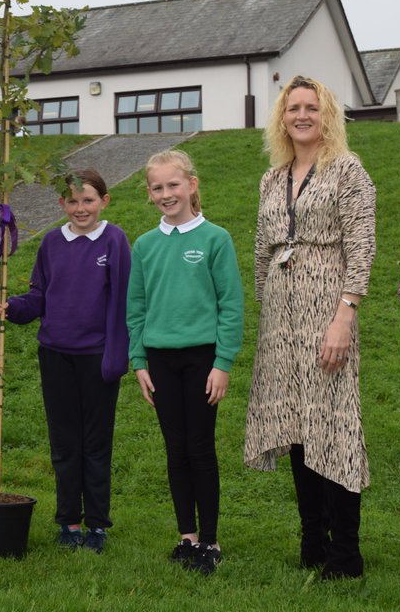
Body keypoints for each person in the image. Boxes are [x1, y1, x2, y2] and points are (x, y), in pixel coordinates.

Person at [242, 76, 376, 579]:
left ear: (327, 116)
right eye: (293, 107)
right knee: (298, 426)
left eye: (311, 108)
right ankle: (312, 541)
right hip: (281, 319)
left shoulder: (347, 169)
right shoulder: (272, 178)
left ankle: (346, 552)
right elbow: (262, 248)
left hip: (328, 312)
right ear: (282, 118)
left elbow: (361, 247)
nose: (301, 115)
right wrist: (268, 308)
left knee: (333, 425)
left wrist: (345, 315)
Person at [0, 169, 130, 554]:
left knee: (95, 444)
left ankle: (97, 524)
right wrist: (13, 307)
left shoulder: (115, 240)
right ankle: (68, 521)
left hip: (98, 356)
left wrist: (118, 354)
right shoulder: (52, 242)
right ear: (61, 204)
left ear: (104, 201)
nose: (80, 208)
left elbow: (124, 300)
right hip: (55, 354)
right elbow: (39, 296)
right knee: (65, 443)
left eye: (88, 200)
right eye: (72, 201)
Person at [128, 149, 244, 575]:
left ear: (191, 185)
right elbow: (136, 307)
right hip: (160, 361)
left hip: (202, 361)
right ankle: (187, 537)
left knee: (200, 447)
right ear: (149, 193)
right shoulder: (144, 245)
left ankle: (210, 541)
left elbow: (231, 305)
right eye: (157, 187)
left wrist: (222, 362)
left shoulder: (215, 238)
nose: (166, 194)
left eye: (173, 185)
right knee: (175, 449)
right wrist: (139, 360)